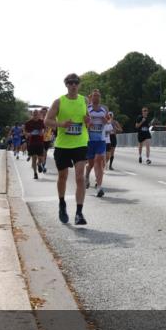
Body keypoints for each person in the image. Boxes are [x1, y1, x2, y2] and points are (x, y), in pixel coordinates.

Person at [44, 73, 91, 225]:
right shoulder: (59, 102)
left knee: (79, 177)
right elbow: (47, 121)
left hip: (80, 143)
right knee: (63, 176)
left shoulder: (84, 100)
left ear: (79, 85)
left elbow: (87, 120)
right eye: (70, 83)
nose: (73, 85)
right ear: (66, 85)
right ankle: (62, 204)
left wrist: (88, 121)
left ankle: (79, 212)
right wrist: (61, 124)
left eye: (75, 82)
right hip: (63, 145)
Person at [84, 89, 109, 198]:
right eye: (94, 96)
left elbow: (107, 121)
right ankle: (87, 175)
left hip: (101, 139)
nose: (96, 97)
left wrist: (105, 121)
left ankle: (99, 187)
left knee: (98, 161)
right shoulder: (87, 108)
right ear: (91, 97)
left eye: (98, 96)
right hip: (89, 140)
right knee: (91, 164)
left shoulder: (104, 109)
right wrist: (88, 123)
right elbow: (84, 121)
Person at [24, 109, 46, 179]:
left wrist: (42, 132)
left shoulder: (42, 122)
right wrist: (28, 134)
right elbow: (24, 132)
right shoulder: (28, 123)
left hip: (40, 142)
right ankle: (35, 173)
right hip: (32, 143)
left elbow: (44, 129)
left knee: (41, 158)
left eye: (36, 114)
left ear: (39, 115)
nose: (35, 115)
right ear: (32, 115)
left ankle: (39, 164)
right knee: (33, 158)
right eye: (34, 114)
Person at [40, 107, 52, 173]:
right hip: (40, 139)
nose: (44, 114)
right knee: (43, 152)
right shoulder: (39, 120)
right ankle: (42, 165)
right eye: (43, 112)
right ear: (41, 113)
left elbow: (53, 127)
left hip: (48, 138)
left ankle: (43, 165)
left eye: (45, 112)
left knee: (45, 153)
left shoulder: (50, 120)